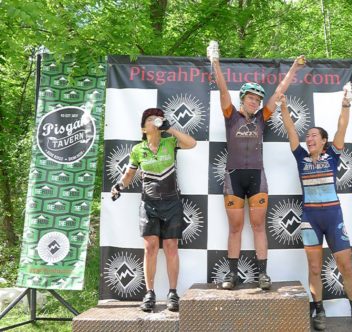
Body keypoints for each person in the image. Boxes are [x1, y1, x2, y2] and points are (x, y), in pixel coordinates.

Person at [210, 48, 305, 290]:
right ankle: (232, 275)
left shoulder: (262, 117)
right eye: (251, 98)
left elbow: (280, 91)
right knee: (235, 228)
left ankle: (263, 275)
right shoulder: (231, 116)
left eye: (258, 99)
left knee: (259, 227)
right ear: (242, 98)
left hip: (257, 178)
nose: (255, 102)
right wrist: (215, 62)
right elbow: (222, 90)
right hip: (233, 178)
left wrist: (294, 67)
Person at [279, 91, 352, 330]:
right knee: (313, 268)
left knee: (346, 266)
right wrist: (284, 107)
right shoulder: (300, 157)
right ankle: (319, 310)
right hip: (310, 218)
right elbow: (290, 130)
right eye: (307, 136)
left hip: (333, 217)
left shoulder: (332, 155)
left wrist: (345, 105)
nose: (308, 138)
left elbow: (342, 127)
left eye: (313, 136)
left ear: (323, 141)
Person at [111, 108, 196, 312]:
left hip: (172, 202)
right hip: (148, 203)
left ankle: (173, 293)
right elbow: (129, 175)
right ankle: (149, 293)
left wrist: (171, 129)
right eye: (149, 119)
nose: (154, 121)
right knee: (150, 247)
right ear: (143, 127)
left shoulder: (170, 142)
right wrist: (119, 185)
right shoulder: (138, 149)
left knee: (171, 247)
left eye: (157, 118)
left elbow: (192, 144)